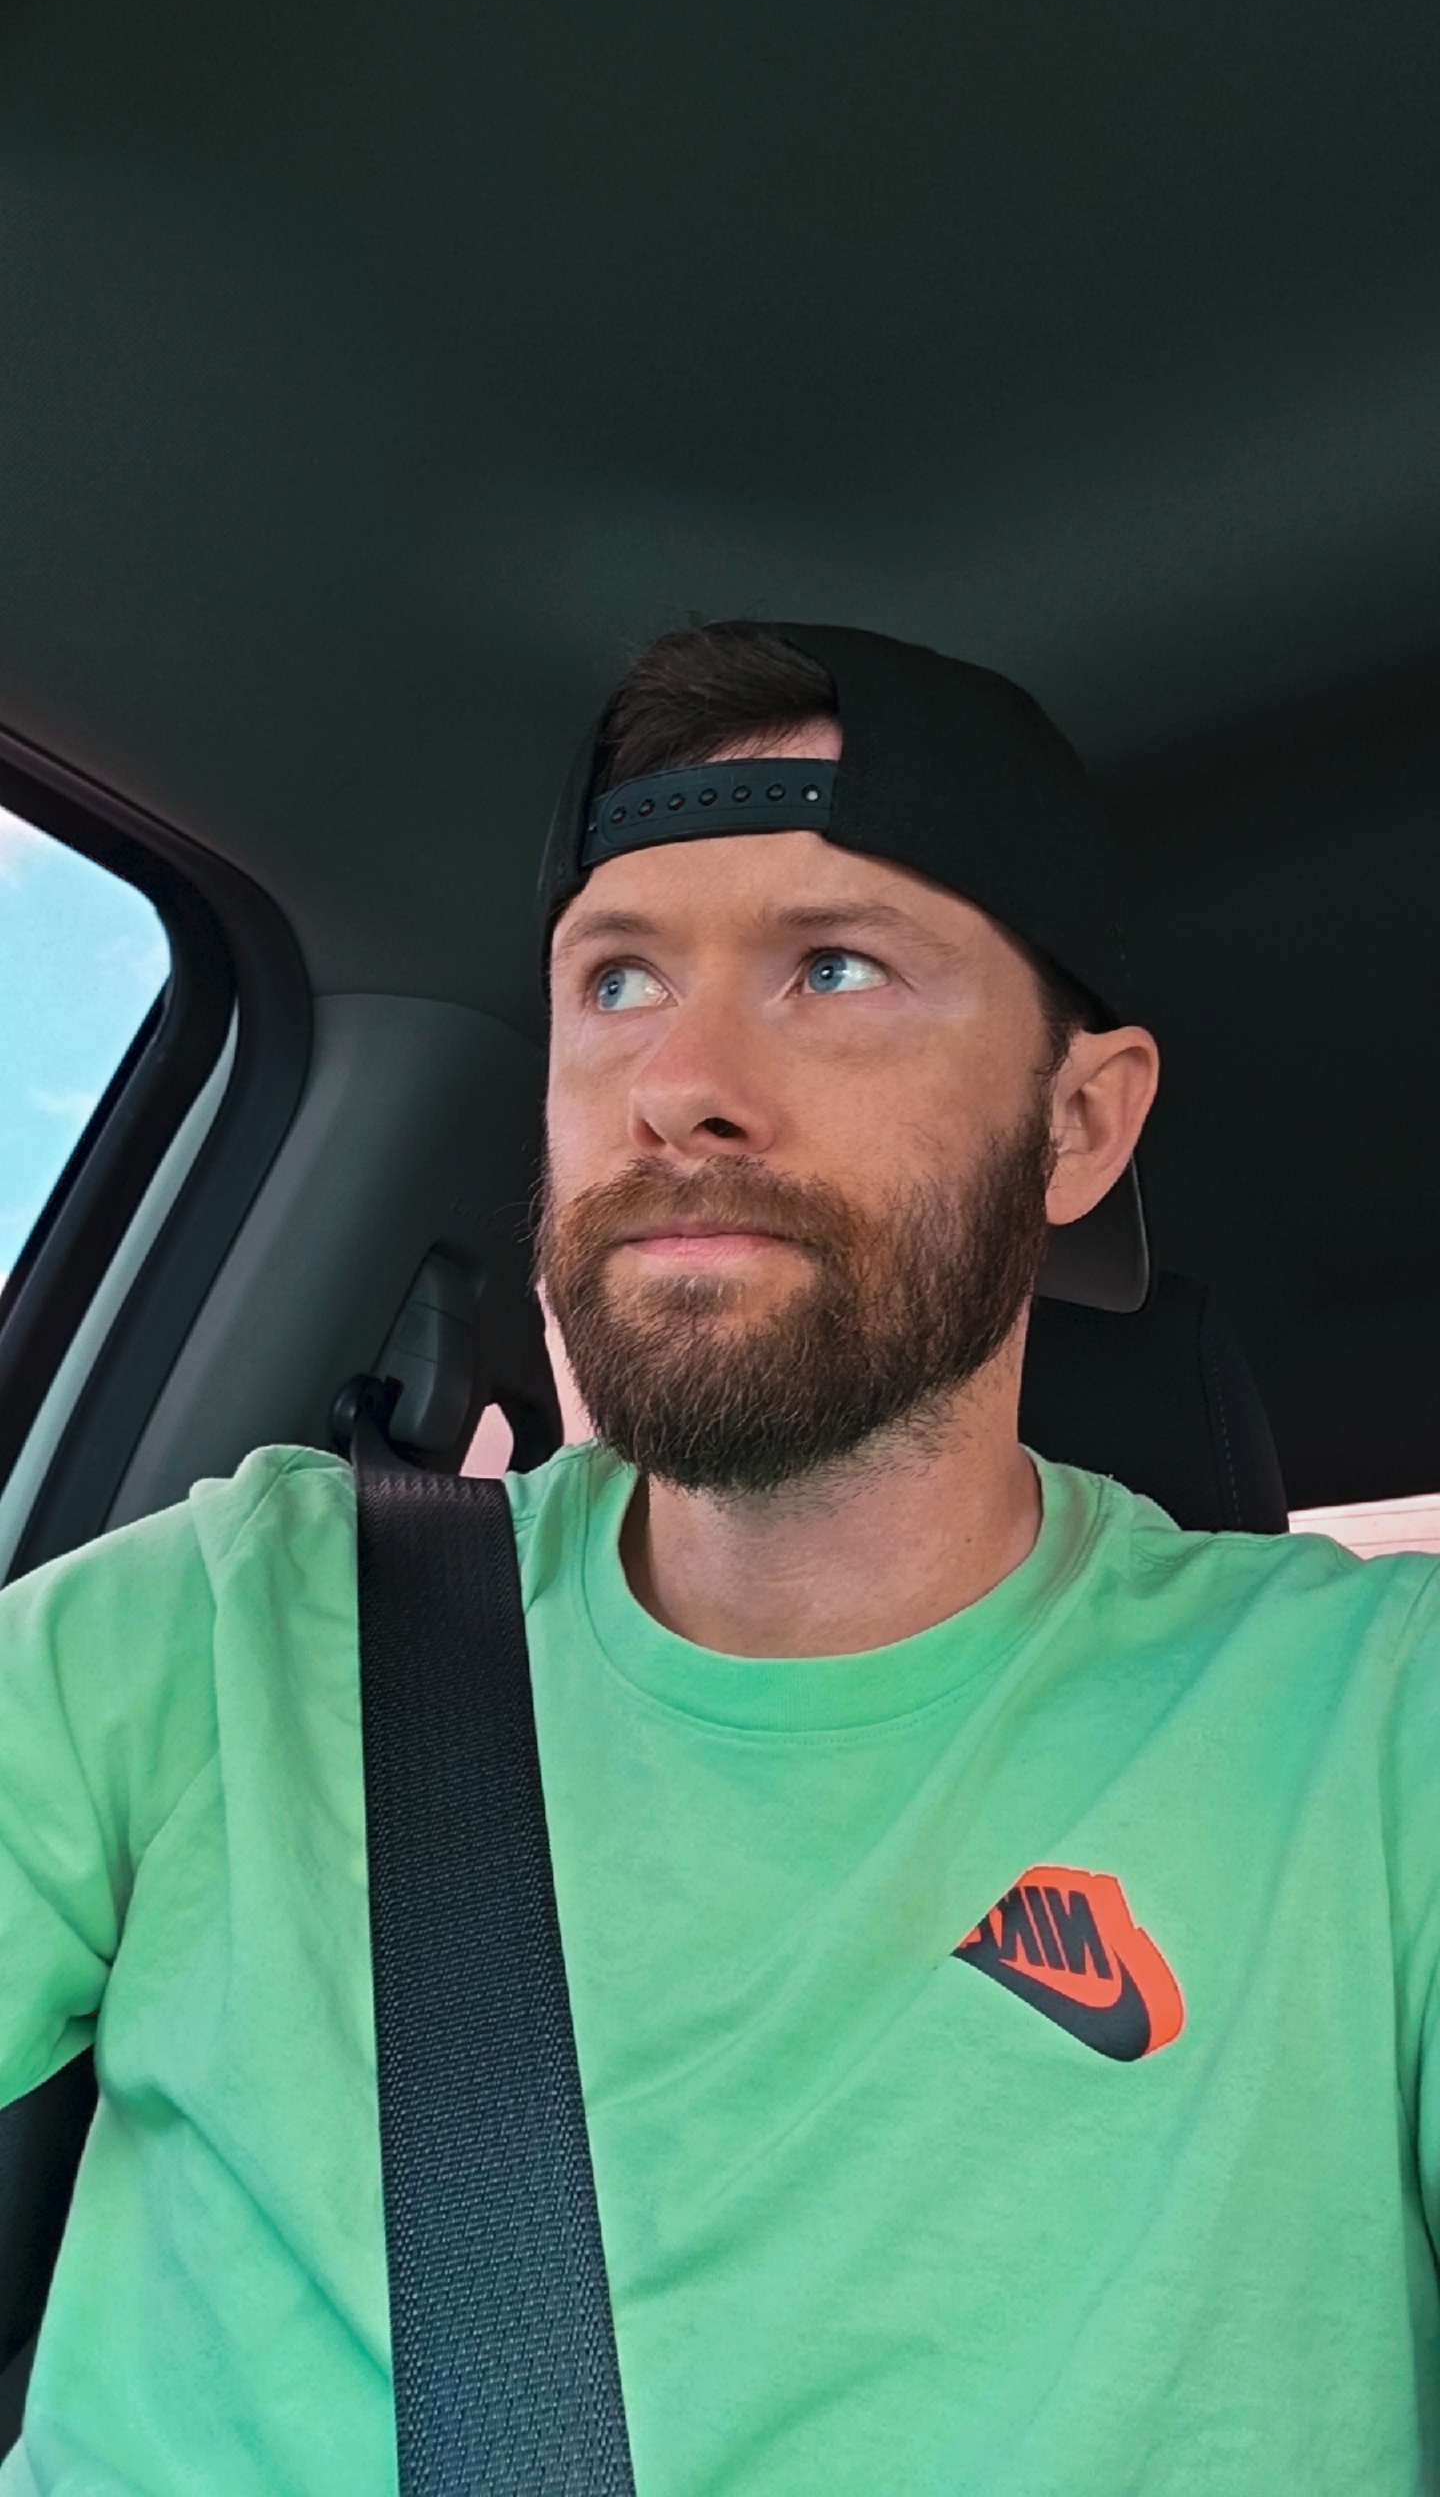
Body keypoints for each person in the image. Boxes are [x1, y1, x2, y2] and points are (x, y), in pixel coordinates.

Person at [1, 619, 1438, 2497]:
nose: (678, 1083)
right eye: (616, 981)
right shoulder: (224, 1626)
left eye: (834, 968)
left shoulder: (1376, 1725)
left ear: (1079, 1122)